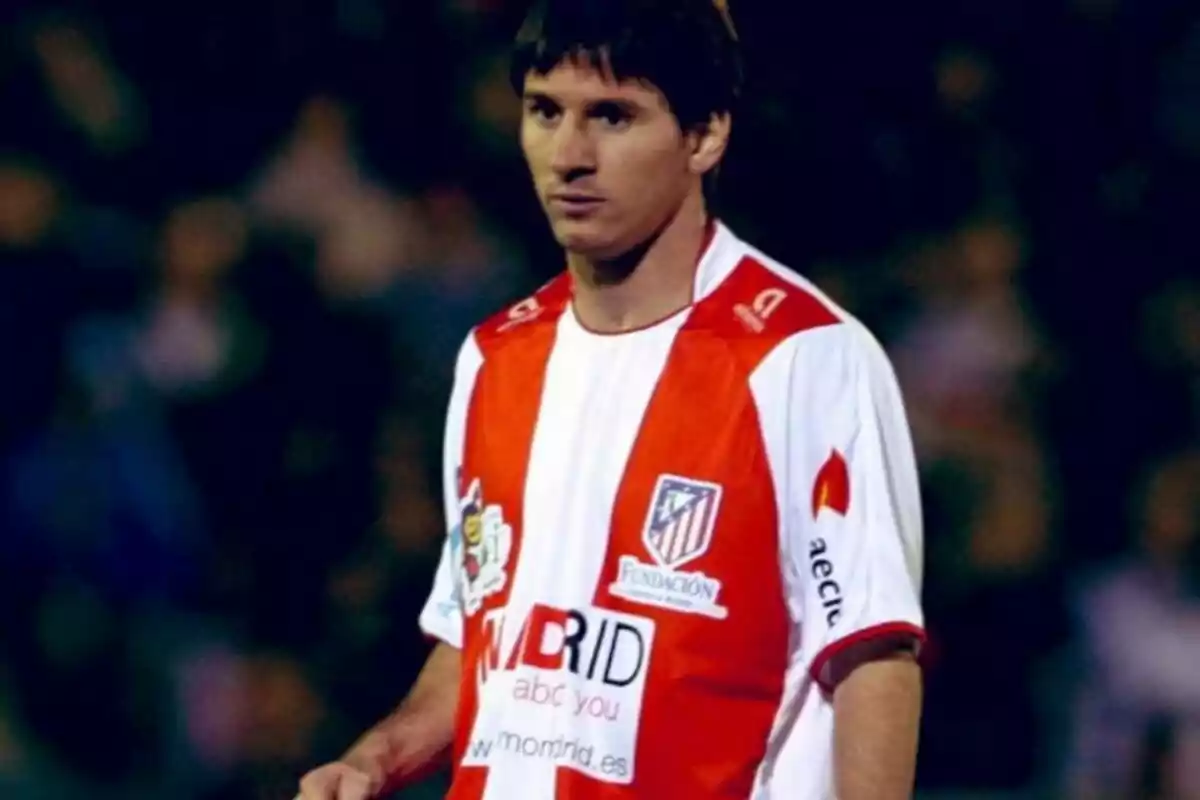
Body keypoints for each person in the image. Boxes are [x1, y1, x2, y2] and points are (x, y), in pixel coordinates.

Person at [297, 0, 925, 797]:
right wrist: (373, 760)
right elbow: (485, 636)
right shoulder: (495, 357)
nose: (569, 154)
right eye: (544, 111)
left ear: (705, 136)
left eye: (613, 117)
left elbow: (873, 655)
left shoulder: (803, 356)